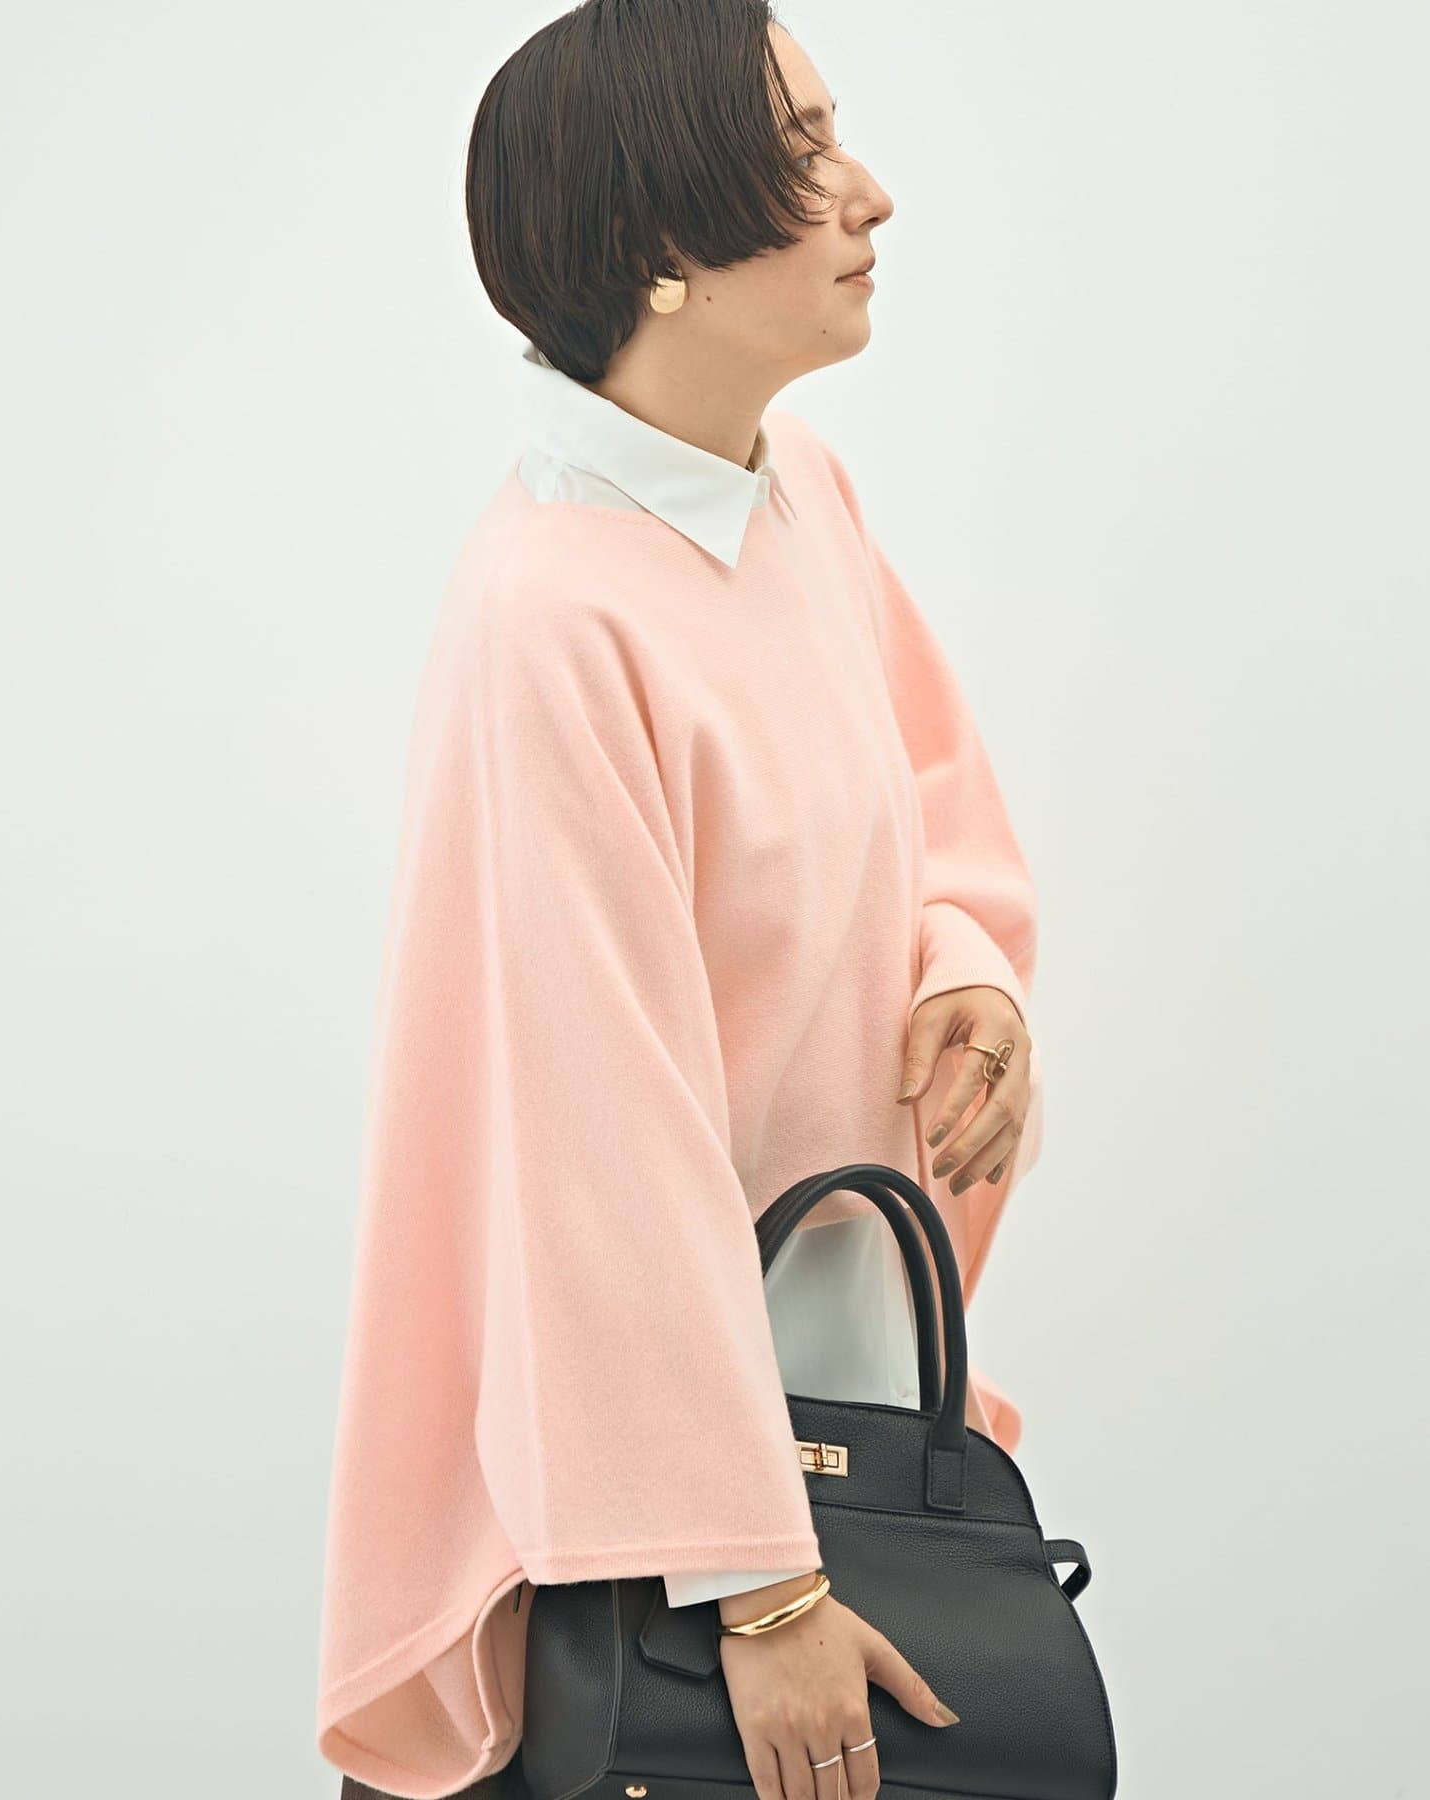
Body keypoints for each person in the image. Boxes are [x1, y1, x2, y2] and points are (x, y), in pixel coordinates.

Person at [316, 5, 1045, 1798]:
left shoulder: (800, 499)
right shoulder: (554, 619)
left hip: (840, 1415)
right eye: (802, 157)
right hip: (662, 1524)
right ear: (658, 248)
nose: (870, 194)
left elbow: (929, 809)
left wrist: (965, 972)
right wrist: (759, 1590)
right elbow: (598, 1139)